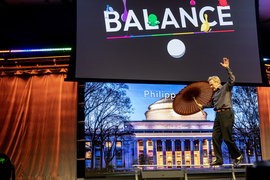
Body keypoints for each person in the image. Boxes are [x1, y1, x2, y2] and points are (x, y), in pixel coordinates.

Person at [198, 57, 243, 166]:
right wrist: (202, 106)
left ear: (217, 82)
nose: (210, 86)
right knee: (215, 138)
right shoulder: (215, 95)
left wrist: (227, 68)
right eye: (209, 84)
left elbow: (232, 80)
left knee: (227, 138)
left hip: (227, 114)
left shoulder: (226, 88)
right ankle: (219, 159)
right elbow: (212, 104)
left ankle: (238, 155)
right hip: (218, 115)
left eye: (211, 84)